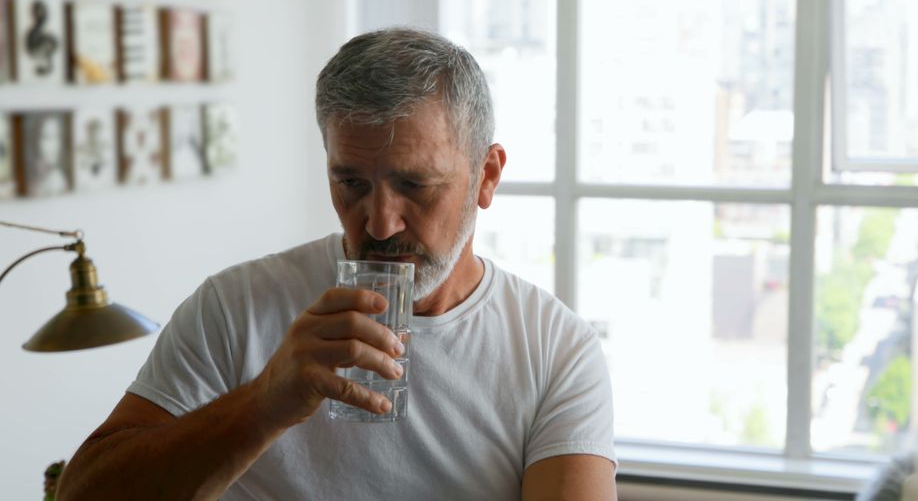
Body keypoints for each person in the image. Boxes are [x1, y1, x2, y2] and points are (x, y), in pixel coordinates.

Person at [57, 28, 617, 500]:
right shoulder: (235, 306)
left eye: (414, 185)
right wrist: (264, 402)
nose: (378, 223)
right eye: (350, 182)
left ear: (486, 176)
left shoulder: (553, 350)